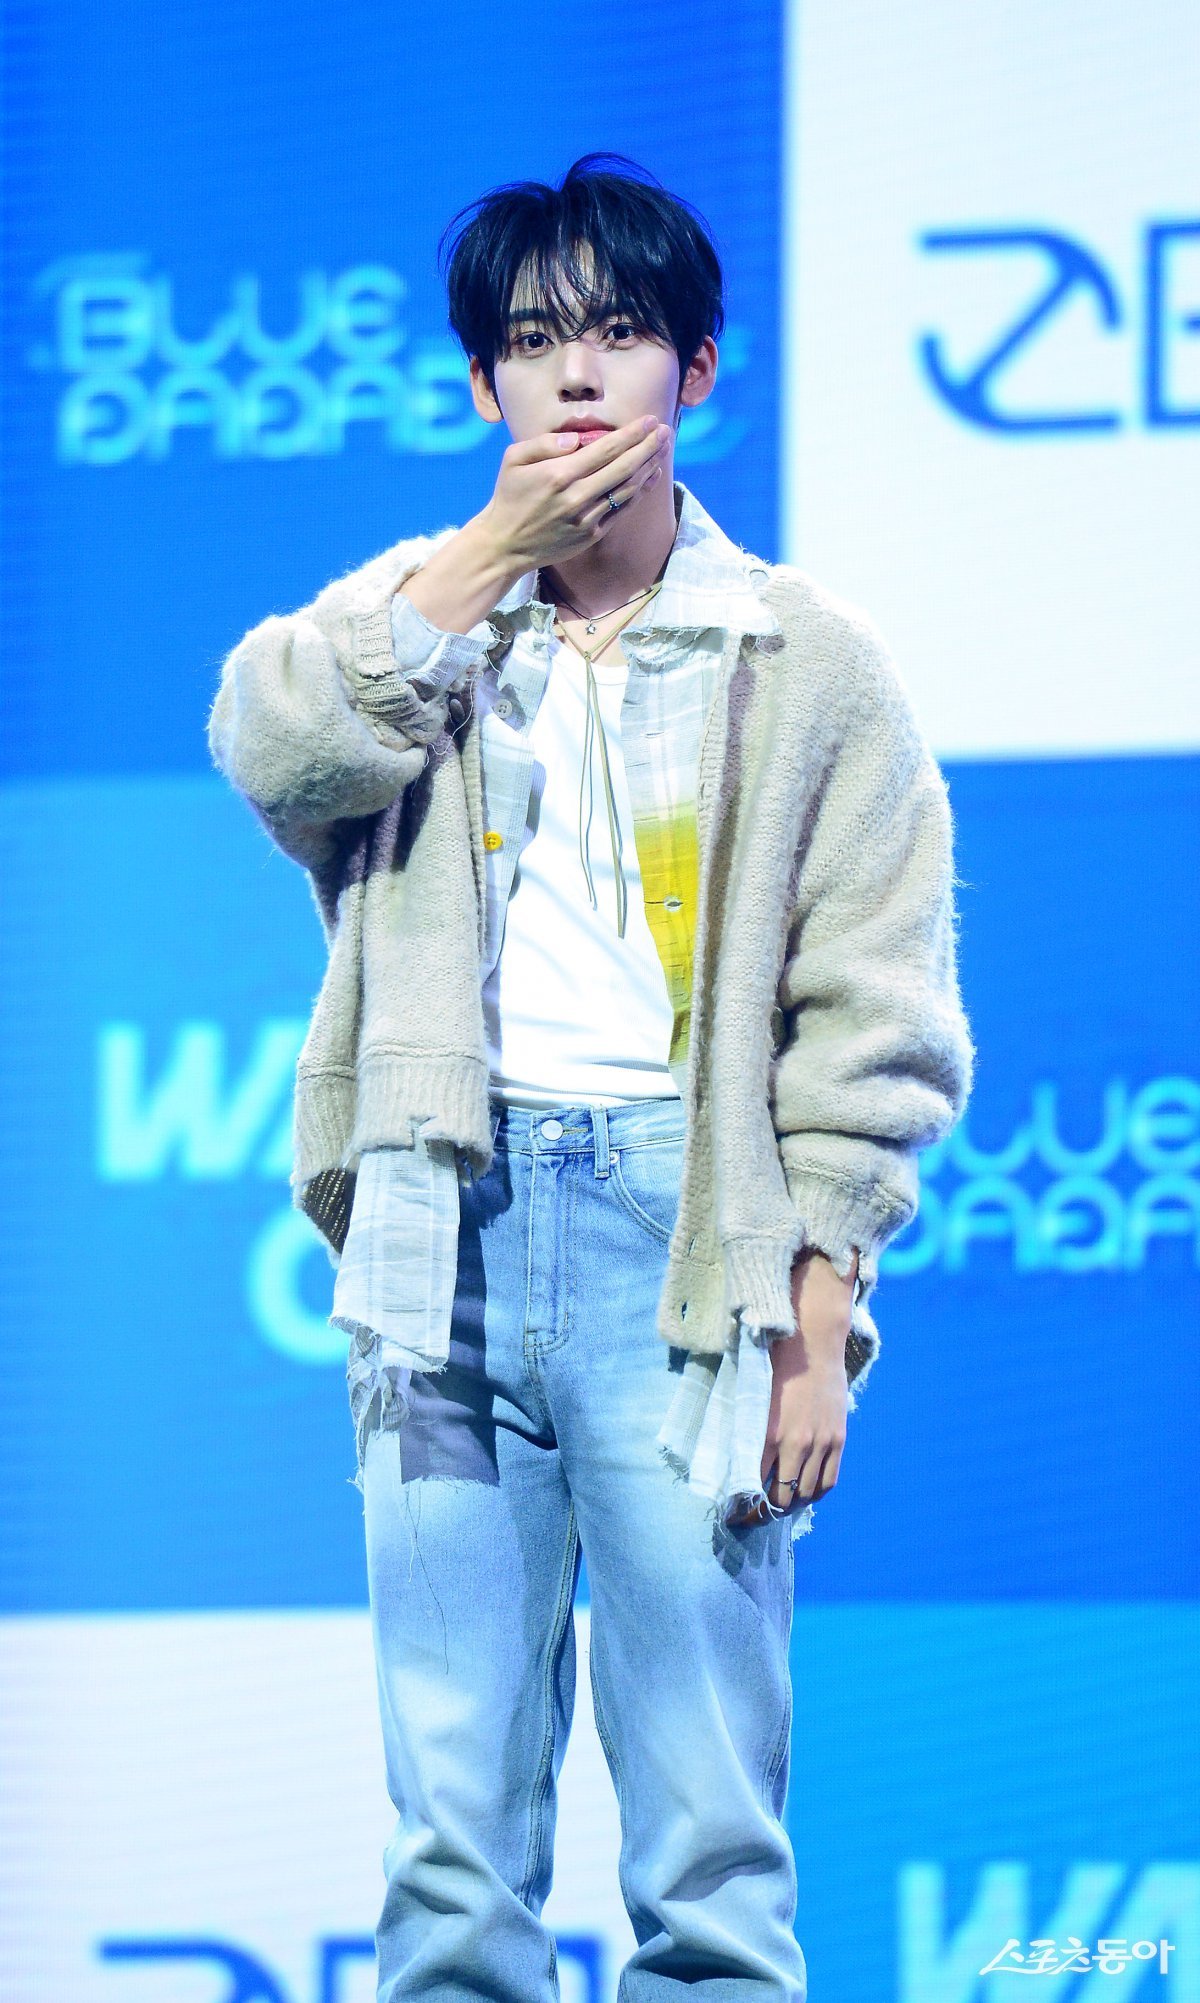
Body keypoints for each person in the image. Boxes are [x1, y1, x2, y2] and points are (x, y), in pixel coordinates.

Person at [207, 152, 975, 2002]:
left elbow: (875, 1011)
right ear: (483, 383)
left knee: (710, 1847)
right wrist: (477, 562)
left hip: (684, 1245)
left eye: (619, 332)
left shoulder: (807, 657)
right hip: (440, 1236)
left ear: (693, 370)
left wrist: (818, 1306)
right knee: (450, 1845)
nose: (576, 373)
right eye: (534, 340)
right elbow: (270, 746)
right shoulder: (418, 622)